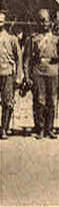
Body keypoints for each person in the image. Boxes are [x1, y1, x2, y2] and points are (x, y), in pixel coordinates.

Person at [23, 9, 59, 139]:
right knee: (39, 101)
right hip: (38, 72)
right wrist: (26, 75)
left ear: (51, 23)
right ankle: (40, 128)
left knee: (52, 101)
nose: (43, 24)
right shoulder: (32, 39)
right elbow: (27, 59)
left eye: (46, 21)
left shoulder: (57, 39)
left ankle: (50, 128)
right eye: (41, 21)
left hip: (53, 72)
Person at [0, 10, 23, 140]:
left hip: (7, 73)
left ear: (5, 22)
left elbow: (19, 57)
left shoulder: (12, 39)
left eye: (2, 20)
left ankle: (4, 128)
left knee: (7, 102)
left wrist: (19, 75)